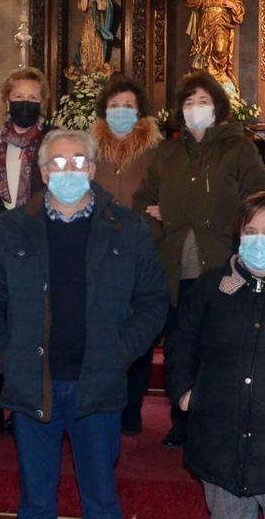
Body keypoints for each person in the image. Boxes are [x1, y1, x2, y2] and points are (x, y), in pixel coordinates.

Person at [0, 130, 169, 519]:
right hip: (34, 383)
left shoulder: (127, 228)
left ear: (92, 169)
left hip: (98, 384)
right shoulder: (12, 228)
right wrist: (9, 359)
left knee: (100, 501)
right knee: (36, 501)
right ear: (44, 173)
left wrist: (121, 352)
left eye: (78, 160)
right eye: (57, 162)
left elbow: (153, 301)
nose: (68, 169)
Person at [134, 70, 265, 447]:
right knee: (180, 345)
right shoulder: (167, 152)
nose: (195, 109)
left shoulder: (240, 147)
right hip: (175, 266)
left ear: (218, 107)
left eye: (203, 101)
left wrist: (235, 233)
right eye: (189, 102)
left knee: (220, 344)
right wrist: (161, 224)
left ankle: (221, 418)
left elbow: (258, 199)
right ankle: (181, 419)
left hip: (222, 261)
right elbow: (142, 202)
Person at [168, 190, 265, 519]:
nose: (258, 241)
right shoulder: (212, 286)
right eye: (250, 232)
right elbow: (182, 339)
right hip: (219, 443)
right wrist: (183, 392)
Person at [90, 75, 163, 434]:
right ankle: (102, 398)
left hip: (141, 245)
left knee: (138, 325)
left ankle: (132, 405)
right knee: (102, 322)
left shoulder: (157, 150)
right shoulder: (89, 148)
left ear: (140, 112)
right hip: (97, 248)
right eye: (115, 105)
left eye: (129, 106)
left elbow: (169, 189)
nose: (121, 112)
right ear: (105, 110)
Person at [0, 68, 54, 215]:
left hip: (44, 227)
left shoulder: (55, 140)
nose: (25, 103)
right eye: (19, 97)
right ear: (8, 102)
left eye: (33, 98)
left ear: (41, 104)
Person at [180, 0, 245, 93]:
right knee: (204, 53)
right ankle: (208, 75)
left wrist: (231, 5)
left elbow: (238, 7)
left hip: (221, 24)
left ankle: (220, 75)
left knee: (220, 50)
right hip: (205, 25)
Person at [74, 0, 118, 76]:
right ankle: (85, 66)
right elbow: (82, 8)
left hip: (98, 23)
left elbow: (103, 7)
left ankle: (97, 66)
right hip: (88, 22)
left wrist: (98, 1)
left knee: (97, 42)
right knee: (85, 41)